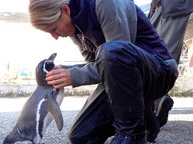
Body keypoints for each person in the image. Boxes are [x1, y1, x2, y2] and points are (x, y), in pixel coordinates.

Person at [28, 0, 178, 143]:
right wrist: (63, 72)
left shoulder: (106, 3)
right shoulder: (75, 27)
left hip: (160, 71)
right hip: (125, 78)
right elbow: (98, 66)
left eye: (53, 29)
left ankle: (132, 135)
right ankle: (148, 119)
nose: (55, 37)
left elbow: (118, 58)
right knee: (81, 136)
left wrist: (74, 75)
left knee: (112, 51)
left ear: (65, 10)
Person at [148, 0, 193, 128]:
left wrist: (155, 3)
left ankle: (157, 100)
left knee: (163, 53)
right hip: (180, 6)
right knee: (170, 52)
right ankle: (157, 100)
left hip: (174, 6)